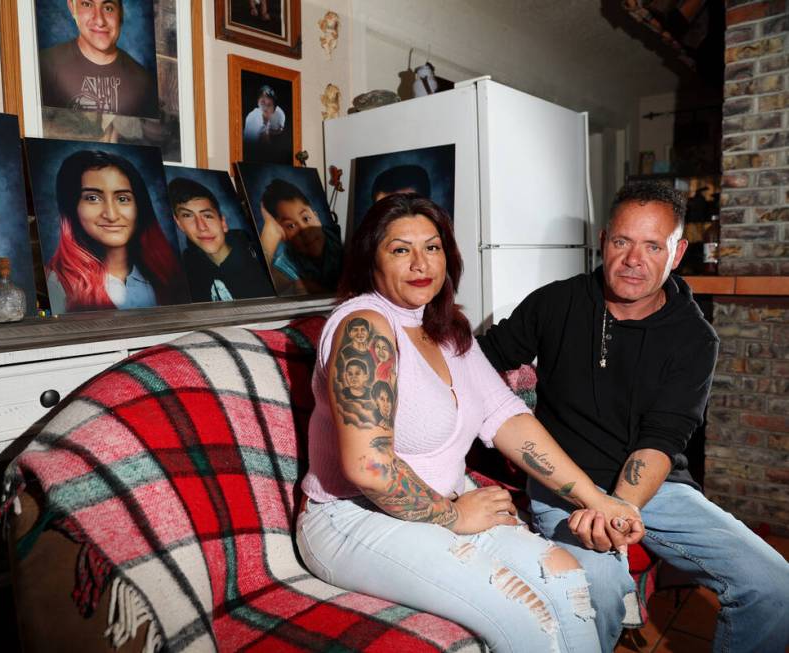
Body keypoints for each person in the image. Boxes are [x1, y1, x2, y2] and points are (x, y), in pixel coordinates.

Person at [297, 193, 644, 653]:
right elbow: (369, 468)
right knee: (525, 611)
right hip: (351, 517)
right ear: (370, 261)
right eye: (401, 249)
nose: (421, 262)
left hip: (436, 506)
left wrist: (596, 499)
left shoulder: (446, 328)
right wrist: (455, 514)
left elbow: (507, 418)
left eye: (433, 247)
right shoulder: (365, 328)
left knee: (565, 580)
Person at [477, 180, 789, 653]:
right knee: (598, 589)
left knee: (773, 585)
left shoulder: (694, 337)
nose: (632, 260)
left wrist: (618, 509)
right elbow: (479, 359)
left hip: (655, 487)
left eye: (652, 246)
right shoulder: (555, 302)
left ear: (678, 252)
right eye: (622, 242)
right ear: (604, 240)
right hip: (565, 484)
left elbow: (663, 439)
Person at [46, 150, 186, 312]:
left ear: (139, 206)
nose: (111, 215)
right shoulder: (56, 284)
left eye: (122, 199)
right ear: (72, 208)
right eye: (93, 198)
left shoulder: (169, 275)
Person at [39, 0, 158, 118]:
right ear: (72, 7)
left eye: (108, 8)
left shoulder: (145, 83)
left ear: (121, 13)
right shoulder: (42, 67)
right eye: (87, 4)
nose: (100, 21)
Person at [166, 177, 274, 302]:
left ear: (223, 222)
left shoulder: (257, 258)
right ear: (179, 224)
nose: (201, 227)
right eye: (187, 216)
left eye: (207, 216)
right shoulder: (186, 269)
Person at [258, 179, 342, 294]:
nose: (304, 231)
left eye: (306, 218)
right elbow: (255, 289)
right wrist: (269, 234)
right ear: (282, 235)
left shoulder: (337, 240)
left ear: (317, 218)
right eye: (291, 226)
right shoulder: (285, 265)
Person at [242, 86, 289, 163]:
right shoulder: (253, 117)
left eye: (269, 104)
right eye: (262, 102)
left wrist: (268, 130)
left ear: (274, 107)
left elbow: (280, 130)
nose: (265, 108)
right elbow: (250, 147)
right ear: (258, 102)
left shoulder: (279, 115)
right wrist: (264, 129)